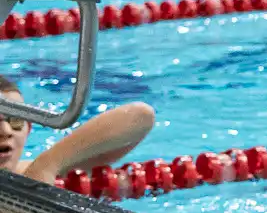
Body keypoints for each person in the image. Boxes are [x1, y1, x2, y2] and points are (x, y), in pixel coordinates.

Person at [0, 77, 153, 186]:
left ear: (28, 129)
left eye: (16, 120)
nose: (5, 131)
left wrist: (48, 164)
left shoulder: (33, 173)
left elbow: (141, 116)